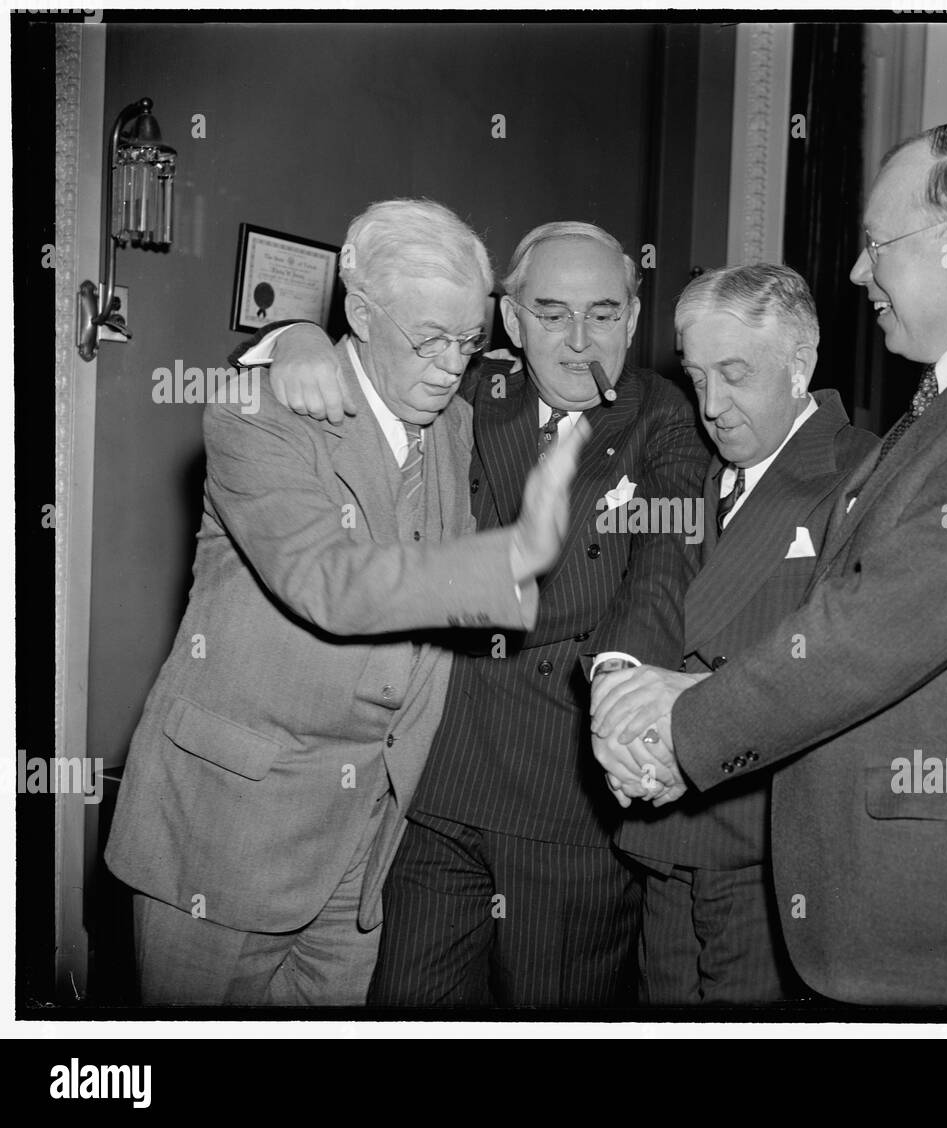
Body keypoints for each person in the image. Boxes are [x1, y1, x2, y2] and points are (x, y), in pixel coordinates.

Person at [593, 121, 947, 1007]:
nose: (858, 274)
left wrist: (687, 719)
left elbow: (878, 627)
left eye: (876, 245)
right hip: (899, 913)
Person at [105, 198, 588, 1006]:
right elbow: (328, 581)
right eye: (428, 339)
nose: (449, 365)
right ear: (360, 313)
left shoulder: (459, 423)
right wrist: (509, 558)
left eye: (467, 342)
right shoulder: (260, 410)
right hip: (227, 833)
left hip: (365, 847)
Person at [251, 221, 711, 1006]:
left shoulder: (664, 417)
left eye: (603, 314)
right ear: (511, 321)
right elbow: (374, 357)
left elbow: (664, 565)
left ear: (633, 321)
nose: (578, 341)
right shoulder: (471, 392)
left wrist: (619, 675)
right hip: (439, 783)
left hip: (568, 794)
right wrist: (290, 339)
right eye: (551, 312)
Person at [594, 264, 877, 1005]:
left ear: (800, 365)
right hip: (665, 834)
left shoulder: (864, 471)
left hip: (766, 853)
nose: (711, 406)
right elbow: (643, 602)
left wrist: (682, 728)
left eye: (734, 375)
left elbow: (844, 668)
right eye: (696, 377)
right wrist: (627, 732)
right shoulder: (693, 469)